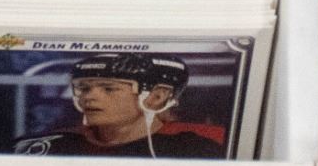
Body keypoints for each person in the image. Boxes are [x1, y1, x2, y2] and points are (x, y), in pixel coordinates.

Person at [14, 55, 225, 158]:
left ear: (156, 97)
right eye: (84, 88)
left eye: (108, 89)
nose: (89, 97)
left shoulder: (204, 145)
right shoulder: (44, 147)